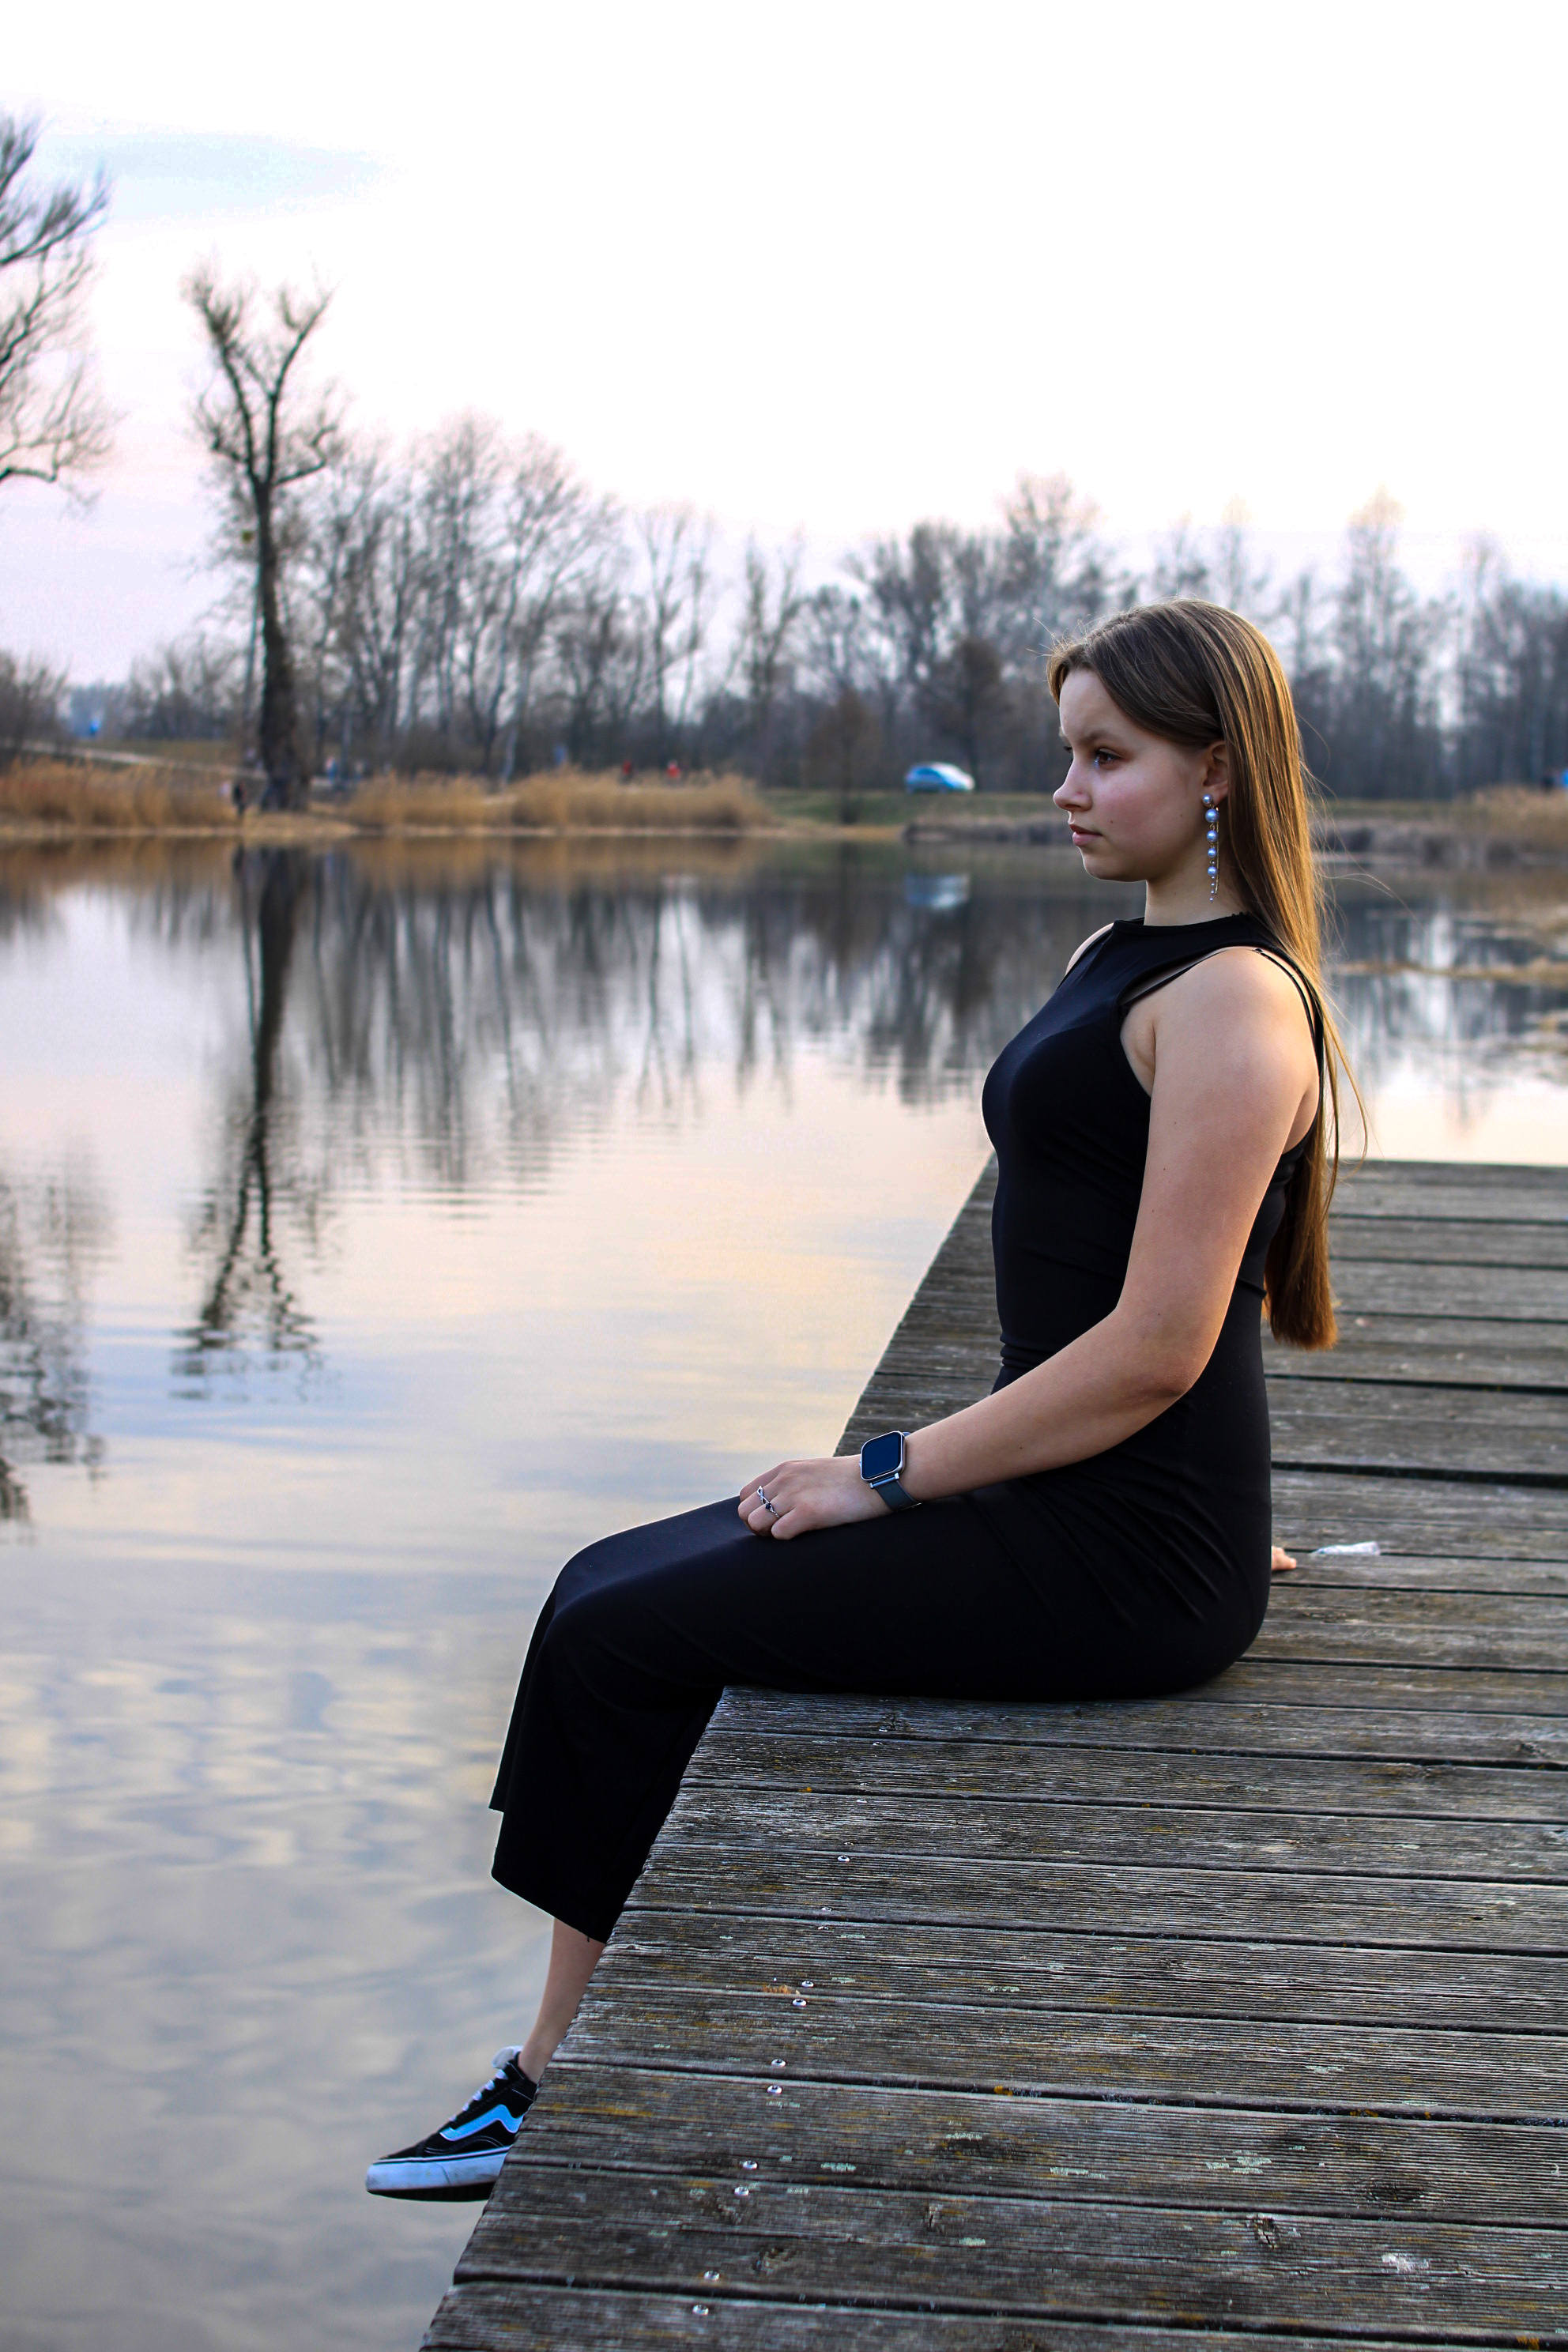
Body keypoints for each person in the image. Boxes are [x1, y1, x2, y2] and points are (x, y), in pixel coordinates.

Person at [365, 600, 1353, 2198]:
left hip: (1126, 1561)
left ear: (1218, 768)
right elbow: (1110, 1272)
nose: (1067, 790)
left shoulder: (1233, 1003)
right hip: (1093, 1502)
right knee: (594, 1586)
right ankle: (551, 2052)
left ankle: (543, 2084)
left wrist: (881, 1473)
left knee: (625, 1640)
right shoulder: (1123, 954)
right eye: (1065, 755)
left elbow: (1163, 1347)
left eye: (1106, 757)